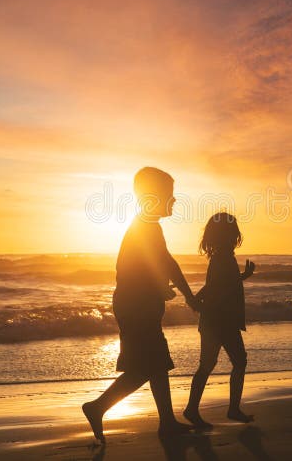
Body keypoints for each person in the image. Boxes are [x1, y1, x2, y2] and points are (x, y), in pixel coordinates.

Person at [83, 167, 201, 443]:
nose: (174, 200)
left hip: (139, 304)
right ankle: (97, 407)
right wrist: (172, 290)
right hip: (136, 306)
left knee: (157, 363)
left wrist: (179, 291)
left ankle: (167, 422)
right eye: (169, 195)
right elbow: (142, 268)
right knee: (146, 367)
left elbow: (163, 263)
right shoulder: (144, 227)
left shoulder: (149, 226)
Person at [183, 212, 256, 429]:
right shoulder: (223, 258)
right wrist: (204, 302)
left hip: (216, 320)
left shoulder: (221, 258)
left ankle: (195, 409)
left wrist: (243, 276)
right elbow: (220, 289)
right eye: (233, 232)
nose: (235, 236)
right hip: (220, 321)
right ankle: (227, 409)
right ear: (228, 235)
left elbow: (220, 284)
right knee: (235, 362)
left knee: (211, 364)